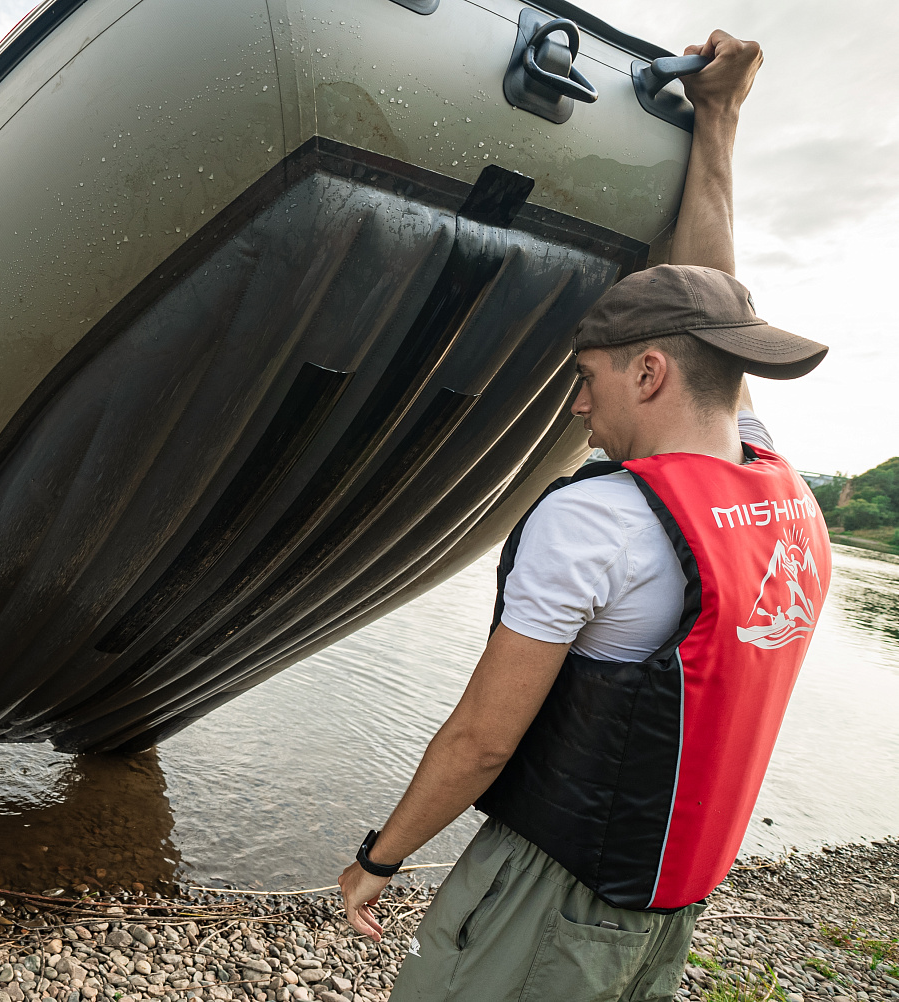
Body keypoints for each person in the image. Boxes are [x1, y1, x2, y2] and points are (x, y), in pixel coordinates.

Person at [337, 29, 834, 1002]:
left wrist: (381, 856)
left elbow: (482, 739)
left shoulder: (599, 524)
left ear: (648, 372)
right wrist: (719, 122)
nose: (575, 405)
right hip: (665, 907)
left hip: (549, 900)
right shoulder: (778, 486)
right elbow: (710, 302)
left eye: (586, 378)